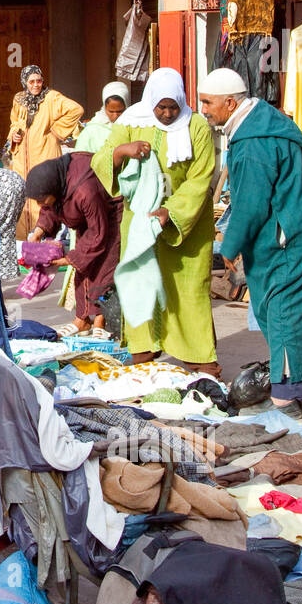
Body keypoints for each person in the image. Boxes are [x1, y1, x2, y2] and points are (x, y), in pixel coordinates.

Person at [200, 68, 302, 418]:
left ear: (230, 102)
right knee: (297, 309)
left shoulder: (253, 143)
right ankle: (294, 385)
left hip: (292, 238)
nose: (204, 109)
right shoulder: (263, 123)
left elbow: (251, 204)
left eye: (208, 103)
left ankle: (286, 400)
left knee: (285, 309)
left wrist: (229, 248)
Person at [93, 68, 219, 377]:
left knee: (189, 288)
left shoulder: (197, 127)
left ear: (181, 103)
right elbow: (102, 158)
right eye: (161, 107)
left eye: (172, 108)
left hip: (185, 224)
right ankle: (143, 349)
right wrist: (124, 150)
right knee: (141, 283)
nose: (165, 114)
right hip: (139, 220)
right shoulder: (130, 122)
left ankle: (199, 355)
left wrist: (170, 212)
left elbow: (201, 178)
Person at [25, 152, 122, 335]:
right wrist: (39, 231)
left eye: (41, 199)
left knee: (103, 273)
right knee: (82, 272)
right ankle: (82, 319)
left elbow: (97, 233)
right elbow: (51, 207)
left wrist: (69, 258)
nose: (39, 204)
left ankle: (101, 321)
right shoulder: (57, 182)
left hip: (108, 219)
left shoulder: (85, 191)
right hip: (88, 220)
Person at [5, 65, 84, 238]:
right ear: (24, 82)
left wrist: (56, 131)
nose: (36, 85)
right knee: (23, 197)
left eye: (39, 81)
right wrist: (14, 136)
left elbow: (76, 110)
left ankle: (44, 236)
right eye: (31, 81)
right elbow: (14, 122)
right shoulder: (19, 99)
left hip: (44, 155)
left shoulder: (51, 98)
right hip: (22, 159)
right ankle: (24, 241)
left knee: (44, 196)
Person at [74, 80, 131, 154]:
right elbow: (80, 158)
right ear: (104, 108)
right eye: (111, 111)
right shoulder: (91, 131)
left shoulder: (134, 126)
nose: (115, 116)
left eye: (120, 111)